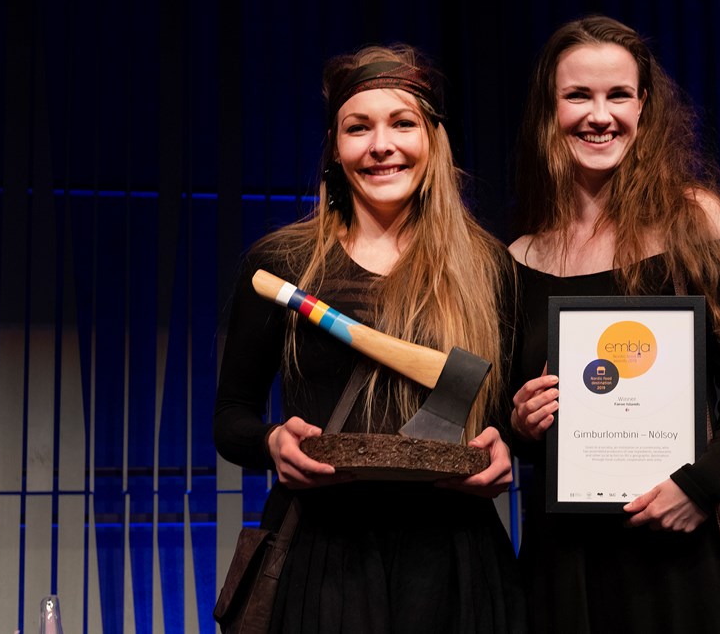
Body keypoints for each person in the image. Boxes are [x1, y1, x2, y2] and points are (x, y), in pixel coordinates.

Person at [214, 45, 526, 634]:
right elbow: (231, 417)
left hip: (453, 561)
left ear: (433, 140)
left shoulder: (488, 267)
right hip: (320, 558)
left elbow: (506, 415)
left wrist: (504, 445)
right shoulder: (283, 264)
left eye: (403, 123)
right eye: (358, 128)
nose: (381, 145)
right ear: (336, 147)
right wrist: (273, 442)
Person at [508, 16, 720, 633]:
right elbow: (508, 422)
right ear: (549, 110)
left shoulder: (697, 221)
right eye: (577, 95)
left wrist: (700, 486)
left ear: (644, 107)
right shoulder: (520, 257)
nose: (599, 115)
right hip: (568, 565)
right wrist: (521, 421)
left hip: (689, 550)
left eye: (618, 95)